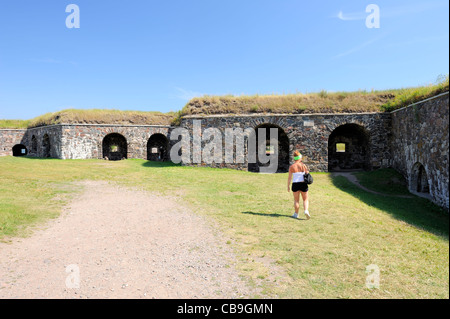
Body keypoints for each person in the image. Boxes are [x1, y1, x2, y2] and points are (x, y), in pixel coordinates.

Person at [287, 151, 310, 219]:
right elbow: (307, 174)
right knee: (305, 199)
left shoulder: (292, 167)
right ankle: (306, 211)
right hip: (303, 183)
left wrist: (288, 186)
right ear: (300, 158)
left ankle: (296, 214)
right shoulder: (303, 165)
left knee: (296, 200)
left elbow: (289, 178)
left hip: (295, 184)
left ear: (294, 159)